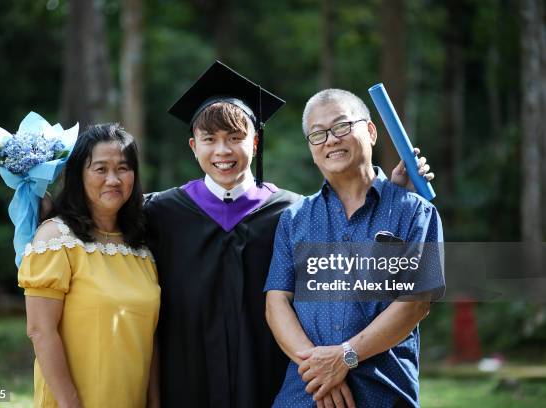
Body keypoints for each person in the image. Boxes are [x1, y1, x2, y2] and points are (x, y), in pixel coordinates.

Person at [145, 61, 434, 408]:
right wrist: (320, 368)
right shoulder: (161, 211)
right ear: (193, 146)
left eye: (236, 137)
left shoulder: (284, 210)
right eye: (210, 140)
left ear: (254, 143)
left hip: (275, 380)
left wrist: (392, 197)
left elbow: (409, 296)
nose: (223, 150)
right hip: (196, 379)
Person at [264, 89, 445, 408]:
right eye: (317, 134)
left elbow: (415, 303)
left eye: (342, 126)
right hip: (303, 396)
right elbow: (277, 300)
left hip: (383, 393)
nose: (330, 139)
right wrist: (320, 369)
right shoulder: (295, 219)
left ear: (371, 131)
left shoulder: (414, 213)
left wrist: (345, 357)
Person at [19, 124, 160, 408]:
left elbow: (150, 338)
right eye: (100, 169)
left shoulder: (142, 248)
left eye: (123, 168)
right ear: (78, 176)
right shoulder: (56, 238)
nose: (113, 179)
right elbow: (40, 330)